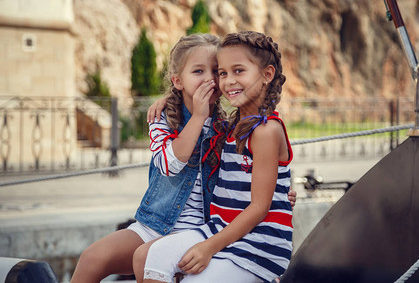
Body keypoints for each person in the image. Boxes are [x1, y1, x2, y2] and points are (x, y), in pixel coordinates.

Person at [70, 33, 296, 283]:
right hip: (158, 222)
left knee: (169, 264)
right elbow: (170, 164)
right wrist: (196, 116)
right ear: (178, 80)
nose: (211, 79)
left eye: (215, 71)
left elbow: (251, 175)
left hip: (205, 226)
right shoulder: (162, 118)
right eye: (199, 71)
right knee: (93, 258)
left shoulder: (227, 126)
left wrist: (280, 194)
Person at [135, 31, 294, 283]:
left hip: (258, 244)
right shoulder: (232, 126)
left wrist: (208, 247)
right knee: (151, 256)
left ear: (267, 74)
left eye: (238, 71)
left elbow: (259, 207)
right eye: (223, 73)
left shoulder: (265, 131)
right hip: (221, 227)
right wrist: (172, 96)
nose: (228, 81)